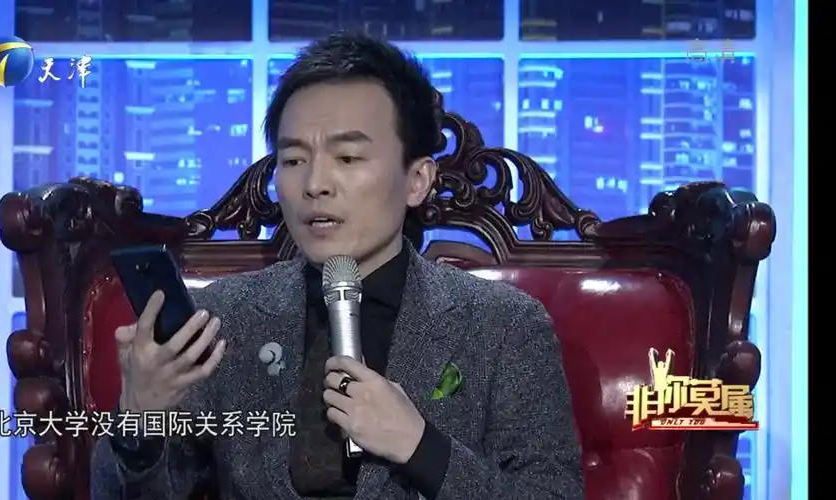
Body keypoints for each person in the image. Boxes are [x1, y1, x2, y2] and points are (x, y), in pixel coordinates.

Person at [91, 33, 585, 500]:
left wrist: (421, 447)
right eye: (293, 161)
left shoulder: (503, 326)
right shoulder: (223, 321)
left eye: (348, 158)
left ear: (417, 180)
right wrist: (140, 418)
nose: (315, 184)